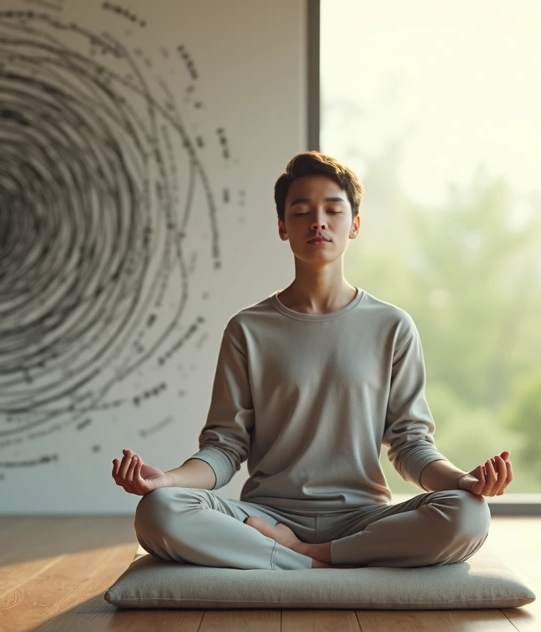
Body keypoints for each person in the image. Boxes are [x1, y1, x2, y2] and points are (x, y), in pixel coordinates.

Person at [111, 151, 513, 569]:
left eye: (333, 210)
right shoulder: (247, 329)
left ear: (354, 225)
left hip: (363, 517)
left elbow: (411, 446)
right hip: (264, 517)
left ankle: (303, 557)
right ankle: (329, 564)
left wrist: (464, 481)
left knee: (468, 513)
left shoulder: (393, 326)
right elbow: (224, 447)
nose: (317, 221)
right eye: (301, 212)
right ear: (283, 227)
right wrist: (166, 481)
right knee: (157, 511)